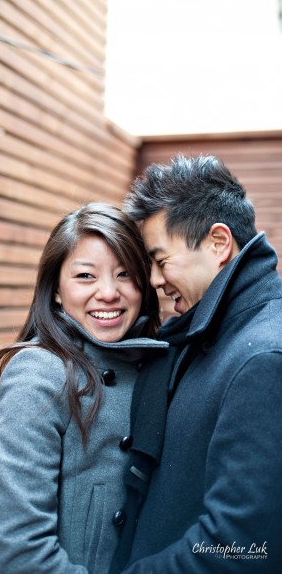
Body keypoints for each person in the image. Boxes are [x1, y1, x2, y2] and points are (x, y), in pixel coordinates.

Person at [109, 154, 282, 573]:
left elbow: (242, 546)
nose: (153, 280)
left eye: (161, 260)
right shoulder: (214, 333)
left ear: (219, 244)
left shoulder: (262, 358)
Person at [0, 202, 167, 573]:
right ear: (55, 289)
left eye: (125, 274)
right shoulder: (39, 373)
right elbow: (21, 554)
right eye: (86, 276)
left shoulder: (157, 364)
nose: (108, 293)